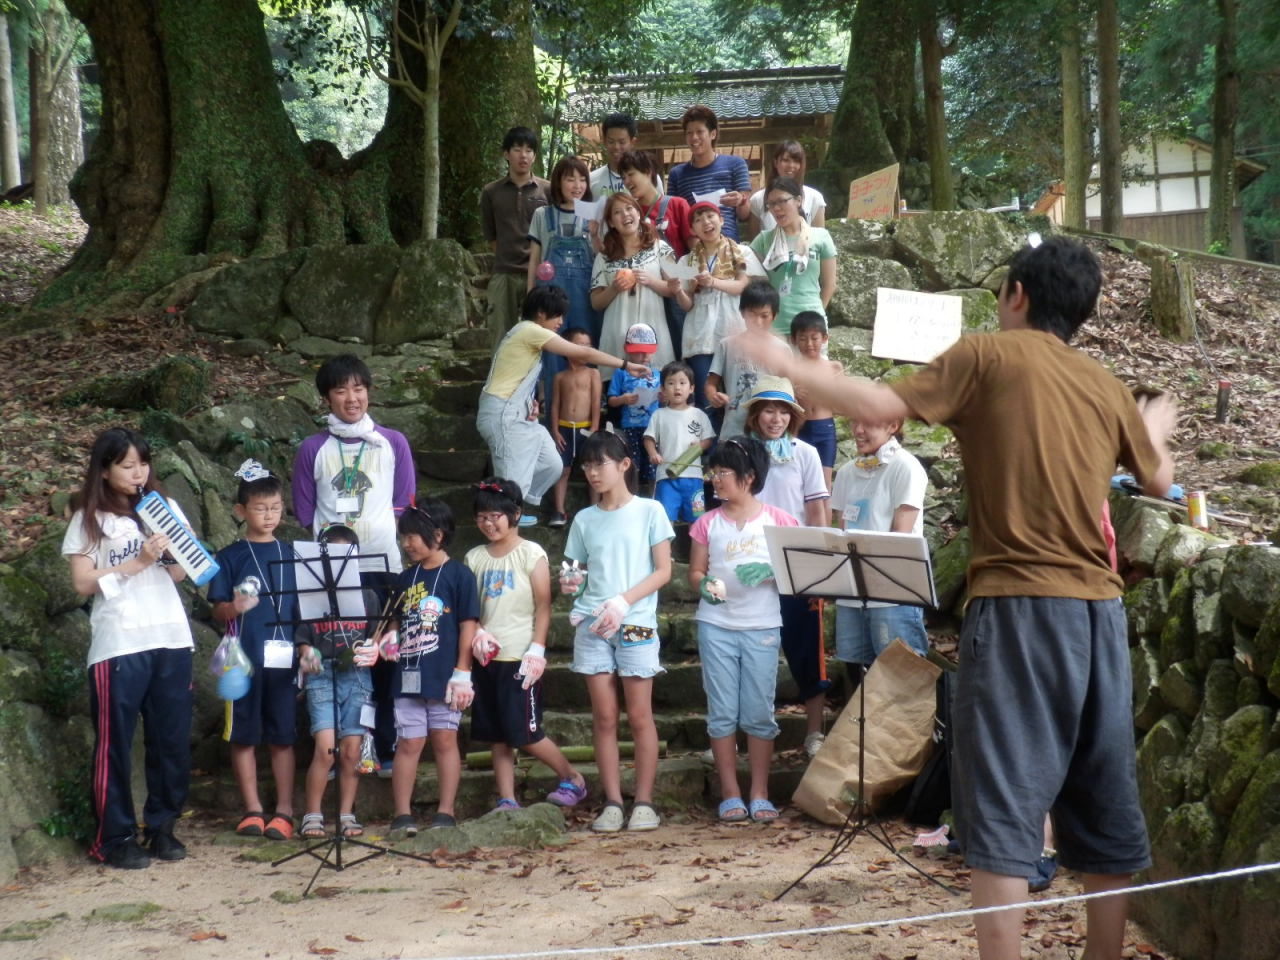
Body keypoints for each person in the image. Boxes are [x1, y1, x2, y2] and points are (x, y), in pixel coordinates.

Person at [748, 236, 1177, 960]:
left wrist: (790, 365)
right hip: (1100, 616)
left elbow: (879, 402)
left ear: (1015, 296)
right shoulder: (1103, 382)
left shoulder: (986, 354)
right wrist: (1157, 431)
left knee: (1004, 807)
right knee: (1105, 799)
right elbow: (1160, 482)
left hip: (1016, 608)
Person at [62, 428, 194, 869]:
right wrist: (135, 563)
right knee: (115, 742)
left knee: (171, 739)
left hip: (170, 635)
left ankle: (162, 828)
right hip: (120, 640)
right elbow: (82, 583)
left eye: (143, 463)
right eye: (127, 465)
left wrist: (171, 554)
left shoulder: (165, 507)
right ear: (105, 469)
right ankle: (113, 837)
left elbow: (179, 575)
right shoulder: (87, 516)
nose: (138, 473)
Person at [293, 352, 415, 774]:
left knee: (380, 657)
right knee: (334, 657)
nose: (352, 397)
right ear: (325, 397)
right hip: (329, 571)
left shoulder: (392, 442)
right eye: (341, 389)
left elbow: (403, 502)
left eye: (359, 388)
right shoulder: (313, 449)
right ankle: (336, 750)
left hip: (382, 566)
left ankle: (380, 749)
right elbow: (305, 511)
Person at [559, 432, 674, 833]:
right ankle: (612, 801)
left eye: (600, 464)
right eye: (587, 465)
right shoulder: (584, 518)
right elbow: (573, 569)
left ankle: (643, 801)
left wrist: (623, 601)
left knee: (640, 715)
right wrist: (570, 585)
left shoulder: (650, 510)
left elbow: (663, 570)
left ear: (624, 465)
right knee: (604, 716)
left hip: (636, 621)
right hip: (593, 624)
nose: (592, 472)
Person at [464, 478, 590, 812]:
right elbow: (469, 608)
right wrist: (476, 632)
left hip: (520, 658)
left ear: (515, 514)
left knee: (525, 732)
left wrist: (537, 649)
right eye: (482, 517)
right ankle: (507, 798)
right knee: (496, 734)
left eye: (496, 516)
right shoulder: (474, 557)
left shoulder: (530, 552)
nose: (489, 523)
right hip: (486, 658)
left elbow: (543, 605)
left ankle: (572, 778)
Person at [688, 436, 797, 822]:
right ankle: (730, 793)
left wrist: (771, 571)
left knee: (758, 711)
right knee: (721, 712)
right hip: (715, 626)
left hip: (762, 626)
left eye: (723, 472)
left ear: (748, 477)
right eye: (712, 472)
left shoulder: (780, 521)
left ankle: (760, 792)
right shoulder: (706, 523)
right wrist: (703, 585)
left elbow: (798, 573)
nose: (715, 479)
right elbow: (696, 571)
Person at [477, 286, 650, 524]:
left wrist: (528, 402)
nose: (560, 322)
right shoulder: (530, 330)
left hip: (515, 412)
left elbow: (511, 377)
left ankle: (511, 506)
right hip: (502, 415)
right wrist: (626, 365)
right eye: (556, 315)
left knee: (552, 464)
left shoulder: (525, 335)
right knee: (508, 480)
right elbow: (583, 354)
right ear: (540, 312)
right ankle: (503, 516)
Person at [208, 460, 301, 842]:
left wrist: (307, 648)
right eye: (261, 509)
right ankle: (252, 810)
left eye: (276, 507)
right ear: (240, 511)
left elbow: (304, 610)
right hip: (240, 662)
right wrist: (235, 607)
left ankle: (284, 810)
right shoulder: (229, 557)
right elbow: (217, 610)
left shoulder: (294, 555)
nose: (269, 515)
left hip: (284, 659)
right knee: (242, 736)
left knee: (283, 735)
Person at [741, 378, 831, 758]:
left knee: (807, 646)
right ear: (755, 414)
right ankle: (742, 734)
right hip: (750, 561)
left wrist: (821, 564)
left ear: (793, 416)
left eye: (783, 411)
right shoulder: (740, 452)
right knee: (749, 649)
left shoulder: (805, 453)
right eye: (768, 410)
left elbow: (816, 510)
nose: (775, 418)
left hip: (796, 562)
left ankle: (814, 733)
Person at [382, 499, 479, 836]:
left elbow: (469, 625)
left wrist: (462, 672)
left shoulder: (460, 575)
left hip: (445, 676)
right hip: (406, 675)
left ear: (437, 534)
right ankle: (401, 813)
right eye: (403, 537)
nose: (407, 544)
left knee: (444, 740)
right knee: (408, 743)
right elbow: (393, 619)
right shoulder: (404, 578)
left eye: (413, 536)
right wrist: (389, 638)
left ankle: (446, 811)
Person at [294, 524, 382, 840]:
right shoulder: (311, 596)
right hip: (322, 675)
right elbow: (303, 639)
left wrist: (376, 647)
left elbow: (376, 637)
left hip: (358, 676)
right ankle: (312, 814)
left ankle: (346, 813)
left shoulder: (369, 597)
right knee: (326, 749)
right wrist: (307, 654)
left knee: (350, 751)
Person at [829, 415, 929, 687]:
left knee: (899, 681)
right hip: (851, 593)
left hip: (892, 594)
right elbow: (842, 529)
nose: (858, 430)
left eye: (868, 423)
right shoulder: (848, 471)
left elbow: (901, 535)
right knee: (857, 676)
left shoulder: (905, 467)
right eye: (853, 422)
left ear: (893, 426)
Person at [669, 201, 762, 412]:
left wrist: (713, 282)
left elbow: (742, 286)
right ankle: (710, 445)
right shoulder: (686, 261)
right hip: (700, 336)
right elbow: (687, 305)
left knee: (739, 397)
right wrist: (678, 291)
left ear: (721, 219)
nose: (706, 223)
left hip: (734, 330)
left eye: (710, 216)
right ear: (692, 230)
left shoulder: (741, 251)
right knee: (705, 401)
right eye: (698, 220)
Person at [528, 156, 602, 415]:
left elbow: (602, 258)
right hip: (549, 299)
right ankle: (552, 418)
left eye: (582, 179)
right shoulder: (542, 214)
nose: (577, 185)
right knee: (551, 353)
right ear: (558, 181)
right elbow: (535, 259)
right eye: (570, 178)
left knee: (585, 350)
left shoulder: (594, 214)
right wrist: (530, 299)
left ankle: (589, 419)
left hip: (585, 296)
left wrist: (595, 234)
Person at [590, 193, 677, 371]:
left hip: (654, 335)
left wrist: (651, 281)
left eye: (629, 208)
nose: (625, 214)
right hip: (616, 337)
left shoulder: (660, 248)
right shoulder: (604, 258)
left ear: (639, 213)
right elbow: (595, 303)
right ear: (611, 223)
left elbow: (674, 289)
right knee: (619, 395)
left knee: (657, 392)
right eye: (617, 212)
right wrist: (613, 288)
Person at [482, 126, 551, 349]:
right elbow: (491, 237)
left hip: (541, 276)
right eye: (517, 149)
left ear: (534, 156)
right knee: (501, 339)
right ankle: (500, 384)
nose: (523, 155)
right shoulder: (491, 192)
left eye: (529, 150)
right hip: (504, 275)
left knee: (541, 338)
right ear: (506, 154)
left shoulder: (547, 190)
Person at [748, 177, 837, 338]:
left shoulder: (820, 236)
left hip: (811, 328)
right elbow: (749, 279)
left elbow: (830, 284)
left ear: (798, 201)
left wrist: (816, 315)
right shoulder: (763, 240)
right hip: (775, 328)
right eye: (771, 203)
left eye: (782, 201)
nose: (776, 208)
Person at [705, 280, 791, 440]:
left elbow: (790, 391)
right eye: (752, 314)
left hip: (768, 432)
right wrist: (713, 396)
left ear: (774, 315)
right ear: (742, 312)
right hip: (733, 429)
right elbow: (711, 383)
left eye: (764, 316)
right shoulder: (727, 345)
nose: (758, 321)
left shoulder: (782, 349)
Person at [666, 105, 751, 241]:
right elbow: (673, 217)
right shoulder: (676, 174)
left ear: (713, 134)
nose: (694, 137)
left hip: (729, 245)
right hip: (695, 248)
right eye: (689, 133)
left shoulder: (735, 164)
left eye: (700, 132)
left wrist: (741, 201)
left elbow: (744, 214)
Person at [644, 360, 715, 522]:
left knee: (696, 520)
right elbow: (649, 438)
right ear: (662, 388)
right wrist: (653, 453)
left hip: (694, 478)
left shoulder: (698, 414)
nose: (677, 388)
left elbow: (708, 439)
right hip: (666, 477)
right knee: (664, 520)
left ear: (691, 388)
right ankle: (665, 548)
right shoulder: (659, 415)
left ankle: (697, 548)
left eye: (682, 383)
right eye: (671, 383)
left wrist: (700, 446)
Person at [549, 327, 602, 527]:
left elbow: (596, 402)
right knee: (562, 469)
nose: (585, 350)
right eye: (580, 346)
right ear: (567, 348)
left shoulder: (593, 373)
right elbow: (555, 404)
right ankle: (559, 511)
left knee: (593, 467)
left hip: (585, 429)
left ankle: (595, 508)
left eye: (588, 346)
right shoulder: (559, 377)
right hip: (563, 429)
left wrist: (595, 427)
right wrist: (554, 431)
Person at [607, 322, 663, 495]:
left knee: (653, 462)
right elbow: (611, 401)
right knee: (633, 463)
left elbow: (664, 402)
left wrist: (664, 399)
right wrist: (623, 399)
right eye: (638, 351)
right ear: (627, 349)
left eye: (648, 351)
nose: (644, 355)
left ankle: (654, 497)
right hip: (629, 426)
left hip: (652, 427)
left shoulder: (657, 374)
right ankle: (632, 495)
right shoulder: (620, 372)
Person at [789, 312, 843, 489]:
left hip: (824, 428)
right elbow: (782, 402)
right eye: (803, 338)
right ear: (794, 340)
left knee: (824, 484)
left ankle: (823, 518)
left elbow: (840, 405)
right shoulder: (791, 368)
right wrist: (791, 391)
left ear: (824, 338)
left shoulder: (834, 367)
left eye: (814, 338)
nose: (809, 344)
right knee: (799, 482)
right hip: (799, 427)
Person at [618, 149, 690, 259]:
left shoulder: (677, 205)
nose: (627, 181)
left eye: (631, 174)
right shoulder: (629, 213)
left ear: (648, 172)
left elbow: (695, 246)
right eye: (623, 178)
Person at [746, 141, 827, 237]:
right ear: (776, 163)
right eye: (786, 160)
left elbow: (820, 239)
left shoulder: (815, 197)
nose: (791, 165)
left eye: (796, 161)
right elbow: (754, 240)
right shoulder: (758, 199)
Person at [590, 112, 664, 199]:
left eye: (622, 142)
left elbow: (660, 208)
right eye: (611, 142)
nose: (616, 147)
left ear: (632, 142)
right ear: (604, 142)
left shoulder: (649, 177)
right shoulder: (591, 180)